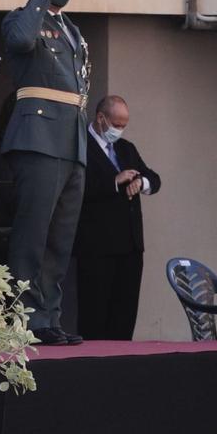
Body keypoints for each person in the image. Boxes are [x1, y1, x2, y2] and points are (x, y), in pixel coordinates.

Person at [1, 0, 89, 345]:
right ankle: (25, 319)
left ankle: (49, 316)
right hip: (38, 139)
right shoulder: (22, 19)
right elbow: (20, 41)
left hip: (71, 141)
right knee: (32, 234)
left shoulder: (69, 28)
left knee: (60, 238)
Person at [74, 95, 161, 341]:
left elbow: (154, 178)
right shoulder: (81, 146)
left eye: (124, 125)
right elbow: (79, 188)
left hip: (130, 245)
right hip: (97, 246)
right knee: (95, 313)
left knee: (125, 312)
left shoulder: (126, 149)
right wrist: (115, 181)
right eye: (117, 124)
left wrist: (140, 182)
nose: (119, 130)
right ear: (101, 119)